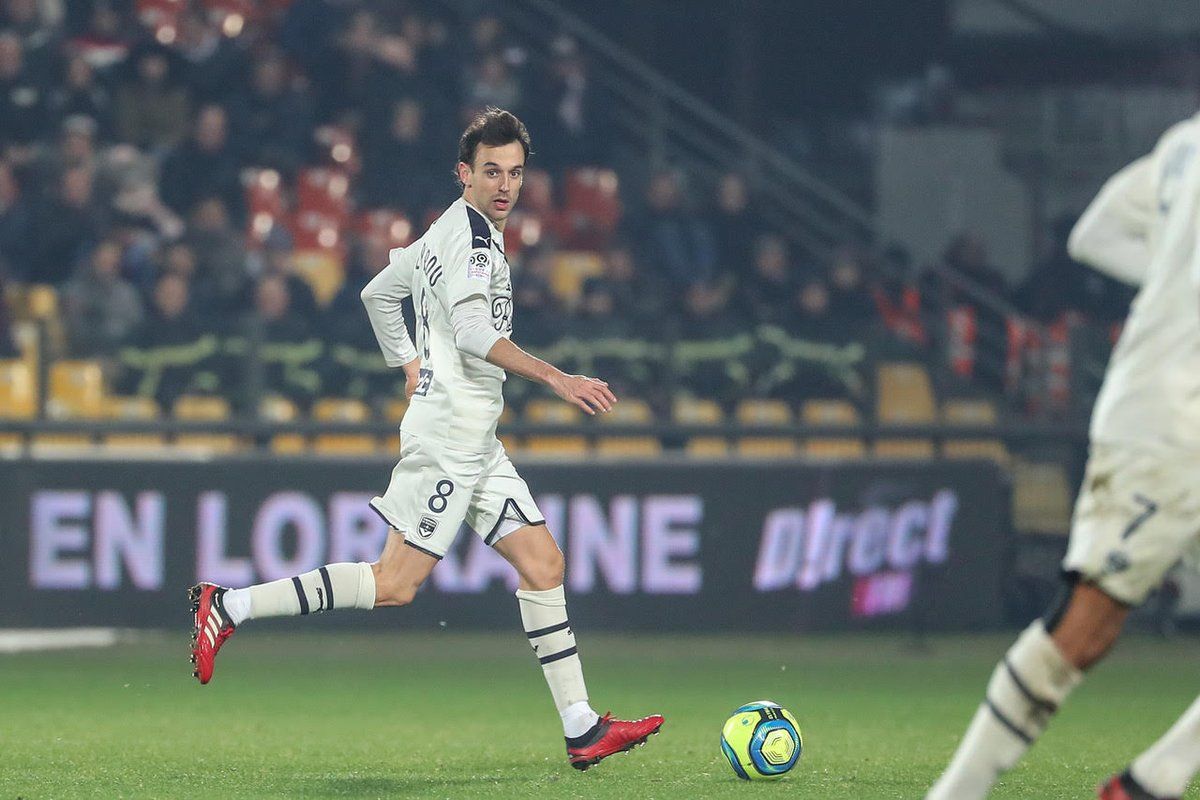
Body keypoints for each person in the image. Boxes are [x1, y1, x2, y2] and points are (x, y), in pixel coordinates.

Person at [188, 107, 664, 770]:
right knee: (395, 584)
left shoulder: (447, 229)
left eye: (516, 173)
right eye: (491, 171)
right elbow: (470, 332)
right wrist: (556, 378)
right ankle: (229, 605)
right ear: (464, 172)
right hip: (448, 439)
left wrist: (411, 365)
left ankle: (581, 726)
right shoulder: (468, 242)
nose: (505, 185)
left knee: (544, 566)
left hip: (475, 437)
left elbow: (378, 295)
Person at [926, 114, 1200, 800]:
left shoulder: (1182, 144)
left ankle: (1155, 780)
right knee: (1086, 629)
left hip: (1159, 395)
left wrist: (1169, 279)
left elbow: (1096, 232)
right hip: (1173, 419)